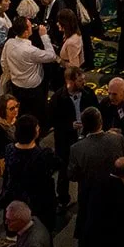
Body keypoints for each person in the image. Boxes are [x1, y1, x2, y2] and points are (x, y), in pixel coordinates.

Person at [68, 106, 124, 222]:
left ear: (83, 125)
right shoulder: (117, 139)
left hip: (89, 197)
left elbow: (72, 175)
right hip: (115, 193)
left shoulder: (76, 148)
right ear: (101, 122)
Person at [2, 114, 59, 231]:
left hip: (16, 195)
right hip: (39, 199)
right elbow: (58, 164)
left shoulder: (9, 150)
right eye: (37, 128)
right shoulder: (44, 155)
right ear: (33, 132)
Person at [48, 65, 93, 206]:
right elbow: (51, 121)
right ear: (70, 82)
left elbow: (96, 113)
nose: (84, 83)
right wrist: (69, 126)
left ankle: (85, 198)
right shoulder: (57, 98)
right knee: (64, 171)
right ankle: (62, 199)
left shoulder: (88, 94)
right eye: (80, 81)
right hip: (65, 142)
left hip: (86, 139)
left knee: (86, 171)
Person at [1, 14, 58, 122]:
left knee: (21, 113)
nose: (32, 27)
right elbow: (52, 56)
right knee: (36, 114)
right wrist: (44, 36)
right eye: (30, 26)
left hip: (16, 85)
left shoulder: (9, 43)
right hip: (33, 90)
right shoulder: (30, 50)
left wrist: (11, 73)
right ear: (26, 32)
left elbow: (3, 62)